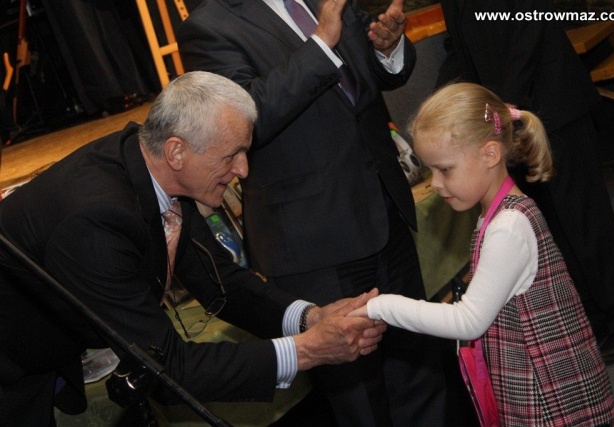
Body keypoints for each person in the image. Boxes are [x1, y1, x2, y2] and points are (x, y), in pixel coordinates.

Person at [0, 71, 388, 426]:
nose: (243, 170)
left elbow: (221, 282)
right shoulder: (96, 221)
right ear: (177, 151)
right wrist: (307, 351)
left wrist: (309, 318)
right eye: (231, 155)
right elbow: (169, 369)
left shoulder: (153, 167)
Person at [176, 0, 447, 425]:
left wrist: (389, 48)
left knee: (422, 378)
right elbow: (243, 119)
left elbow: (371, 77)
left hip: (384, 214)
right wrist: (321, 42)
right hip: (313, 243)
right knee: (362, 404)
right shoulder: (210, 26)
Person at [350, 82, 614, 426]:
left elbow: (468, 320)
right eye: (431, 170)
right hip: (533, 379)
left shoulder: (508, 226)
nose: (435, 183)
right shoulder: (497, 214)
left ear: (490, 155)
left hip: (549, 396)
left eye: (445, 169)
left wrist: (382, 306)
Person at [436, 0, 614, 364]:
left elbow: (531, 25)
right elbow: (461, 48)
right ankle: (593, 318)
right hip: (508, 121)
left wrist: (503, 104)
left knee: (586, 222)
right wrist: (443, 104)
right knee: (553, 230)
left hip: (552, 107)